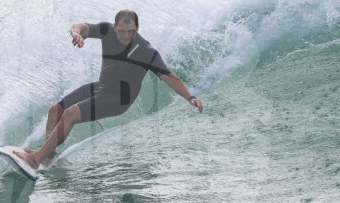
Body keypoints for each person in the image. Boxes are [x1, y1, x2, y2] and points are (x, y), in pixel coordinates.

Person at [14, 9, 203, 169]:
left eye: (130, 32)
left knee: (70, 114)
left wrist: (190, 97)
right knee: (55, 110)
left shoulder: (146, 52)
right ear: (115, 27)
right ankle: (47, 157)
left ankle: (35, 159)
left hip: (119, 99)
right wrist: (76, 34)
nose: (125, 36)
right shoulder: (107, 31)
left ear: (137, 29)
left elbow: (169, 77)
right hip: (101, 88)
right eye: (121, 31)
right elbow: (82, 27)